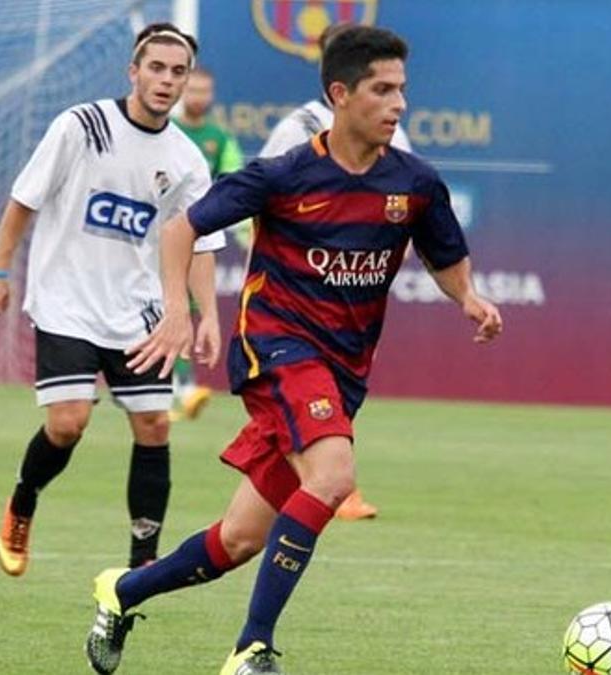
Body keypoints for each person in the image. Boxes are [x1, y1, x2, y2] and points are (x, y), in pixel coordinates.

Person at [83, 25, 503, 675]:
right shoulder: (282, 175)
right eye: (382, 90)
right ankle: (252, 648)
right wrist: (177, 312)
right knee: (333, 476)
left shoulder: (415, 183)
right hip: (276, 346)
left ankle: (121, 590)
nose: (399, 105)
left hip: (343, 371)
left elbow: (445, 252)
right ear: (339, 93)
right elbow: (180, 229)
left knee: (240, 538)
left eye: (402, 91)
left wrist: (468, 298)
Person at [0, 22, 225, 576]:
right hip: (65, 298)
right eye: (155, 68)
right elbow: (25, 199)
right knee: (68, 423)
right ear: (133, 72)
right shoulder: (82, 125)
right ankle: (23, 500)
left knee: (155, 425)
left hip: (137, 308)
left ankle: (142, 561)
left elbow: (202, 241)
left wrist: (208, 314)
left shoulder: (186, 158)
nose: (165, 80)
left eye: (176, 71)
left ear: (187, 81)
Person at [254, 22, 412, 522]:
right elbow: (262, 197)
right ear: (334, 81)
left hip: (355, 289)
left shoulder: (391, 126)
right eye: (380, 86)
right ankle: (335, 485)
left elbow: (406, 196)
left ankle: (314, 479)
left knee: (341, 386)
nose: (393, 100)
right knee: (312, 391)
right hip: (301, 293)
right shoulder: (298, 128)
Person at [168, 67, 246, 422]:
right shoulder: (167, 131)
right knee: (168, 308)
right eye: (193, 89)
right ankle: (175, 390)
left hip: (197, 239)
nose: (198, 96)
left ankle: (178, 390)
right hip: (158, 237)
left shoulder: (220, 138)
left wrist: (248, 236)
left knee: (186, 309)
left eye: (205, 90)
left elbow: (235, 186)